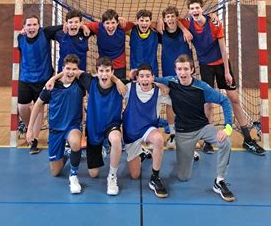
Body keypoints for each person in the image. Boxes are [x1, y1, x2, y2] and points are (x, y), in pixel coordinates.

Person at [181, 0, 265, 156]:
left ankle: (247, 138)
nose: (194, 11)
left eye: (197, 8)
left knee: (233, 99)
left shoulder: (215, 24)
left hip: (221, 64)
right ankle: (207, 141)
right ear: (189, 11)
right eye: (192, 9)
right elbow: (176, 20)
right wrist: (184, 29)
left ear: (202, 8)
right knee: (208, 103)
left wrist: (227, 71)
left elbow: (223, 48)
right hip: (205, 67)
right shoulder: (188, 23)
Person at [155, 54, 236, 202]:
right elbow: (151, 79)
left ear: (192, 70)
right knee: (183, 177)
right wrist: (157, 83)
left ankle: (220, 181)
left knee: (226, 141)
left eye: (186, 69)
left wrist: (227, 128)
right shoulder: (171, 81)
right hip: (184, 132)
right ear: (175, 71)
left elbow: (225, 101)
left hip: (202, 127)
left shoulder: (202, 87)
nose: (183, 72)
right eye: (179, 69)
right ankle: (190, 151)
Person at [26, 54, 86, 194]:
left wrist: (82, 126)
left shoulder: (79, 84)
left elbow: (82, 103)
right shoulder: (51, 86)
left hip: (72, 126)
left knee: (76, 142)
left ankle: (73, 175)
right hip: (55, 130)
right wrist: (30, 129)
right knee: (55, 172)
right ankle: (67, 152)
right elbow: (37, 105)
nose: (71, 72)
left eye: (74, 69)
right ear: (62, 69)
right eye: (68, 68)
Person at [72, 57, 127, 196]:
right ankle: (100, 149)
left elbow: (143, 81)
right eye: (101, 71)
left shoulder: (119, 86)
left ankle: (112, 177)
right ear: (96, 72)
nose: (104, 74)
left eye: (107, 71)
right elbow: (74, 71)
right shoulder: (90, 81)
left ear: (112, 72)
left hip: (111, 125)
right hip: (94, 127)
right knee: (93, 174)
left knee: (116, 140)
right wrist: (53, 79)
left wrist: (117, 80)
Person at [122, 63, 170, 198]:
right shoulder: (128, 88)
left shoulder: (160, 92)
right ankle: (142, 153)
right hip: (131, 133)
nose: (144, 79)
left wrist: (172, 129)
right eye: (141, 76)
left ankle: (155, 177)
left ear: (153, 78)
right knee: (135, 175)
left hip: (148, 129)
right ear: (136, 78)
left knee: (159, 139)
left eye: (147, 76)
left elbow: (172, 101)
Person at [156, 6, 193, 151]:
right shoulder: (161, 32)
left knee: (187, 103)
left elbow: (204, 18)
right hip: (168, 73)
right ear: (164, 19)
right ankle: (172, 134)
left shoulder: (186, 30)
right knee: (170, 103)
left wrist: (184, 29)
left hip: (185, 74)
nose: (170, 19)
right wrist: (158, 21)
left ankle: (188, 134)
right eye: (167, 17)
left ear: (177, 18)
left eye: (173, 16)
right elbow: (151, 24)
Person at [17, 14, 55, 153]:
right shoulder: (20, 38)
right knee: (22, 108)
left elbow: (62, 27)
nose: (32, 27)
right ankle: (29, 129)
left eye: (34, 24)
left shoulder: (45, 34)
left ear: (39, 26)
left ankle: (34, 139)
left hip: (43, 79)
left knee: (39, 109)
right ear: (24, 27)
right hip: (25, 78)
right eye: (29, 25)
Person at [85, 10, 134, 80]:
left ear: (117, 23)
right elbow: (83, 25)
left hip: (119, 64)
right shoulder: (98, 27)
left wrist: (123, 20)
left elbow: (136, 24)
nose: (110, 26)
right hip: (103, 64)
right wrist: (84, 27)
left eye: (113, 22)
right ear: (103, 23)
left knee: (119, 85)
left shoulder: (123, 26)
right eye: (107, 23)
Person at [47, 8, 90, 72]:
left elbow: (98, 25)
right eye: (70, 22)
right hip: (63, 74)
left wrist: (84, 26)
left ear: (81, 23)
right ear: (66, 23)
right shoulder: (61, 34)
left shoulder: (85, 33)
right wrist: (62, 26)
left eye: (76, 22)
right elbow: (47, 30)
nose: (73, 24)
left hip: (80, 74)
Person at [129, 9, 159, 75]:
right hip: (135, 71)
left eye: (147, 21)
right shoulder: (131, 31)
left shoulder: (156, 31)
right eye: (141, 20)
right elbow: (121, 25)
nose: (144, 23)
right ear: (137, 21)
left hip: (152, 71)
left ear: (150, 21)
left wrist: (160, 21)